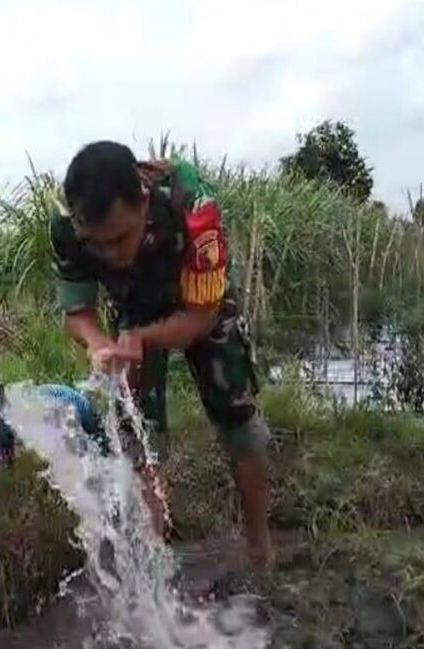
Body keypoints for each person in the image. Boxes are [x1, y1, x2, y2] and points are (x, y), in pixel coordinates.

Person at [50, 140, 274, 568]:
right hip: (133, 308)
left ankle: (260, 545)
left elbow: (201, 317)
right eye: (97, 246)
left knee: (238, 418)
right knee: (136, 436)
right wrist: (100, 344)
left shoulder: (193, 204)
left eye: (120, 240)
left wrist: (143, 339)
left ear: (144, 201)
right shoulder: (66, 225)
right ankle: (154, 561)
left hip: (199, 299)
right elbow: (77, 312)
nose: (110, 255)